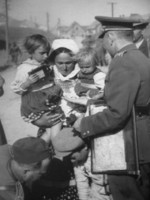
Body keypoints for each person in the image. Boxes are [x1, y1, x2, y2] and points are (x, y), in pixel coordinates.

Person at [72, 16, 150, 200]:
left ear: (111, 37)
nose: (104, 46)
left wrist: (84, 124)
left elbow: (117, 114)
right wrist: (107, 94)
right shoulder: (140, 57)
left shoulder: (122, 61)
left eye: (104, 40)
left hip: (130, 149)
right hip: (143, 141)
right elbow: (136, 95)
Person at [31, 39, 81, 200]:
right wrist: (38, 121)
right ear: (53, 60)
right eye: (60, 63)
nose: (65, 67)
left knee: (72, 169)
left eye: (69, 62)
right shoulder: (45, 73)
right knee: (46, 167)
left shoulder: (84, 74)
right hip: (49, 126)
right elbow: (30, 102)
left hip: (74, 130)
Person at [11, 34, 64, 144]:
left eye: (47, 52)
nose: (45, 56)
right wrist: (28, 82)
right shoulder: (24, 68)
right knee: (56, 122)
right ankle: (58, 146)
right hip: (37, 103)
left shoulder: (46, 64)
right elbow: (17, 90)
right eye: (42, 53)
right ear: (31, 52)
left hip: (49, 99)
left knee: (50, 129)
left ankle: (39, 150)